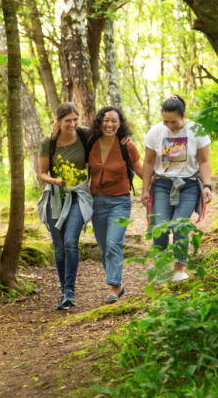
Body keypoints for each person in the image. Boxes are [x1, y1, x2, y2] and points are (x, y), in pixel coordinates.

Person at [140, 95, 212, 282]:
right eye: (166, 121)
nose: (169, 126)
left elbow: (204, 161)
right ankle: (161, 268)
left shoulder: (197, 130)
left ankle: (180, 268)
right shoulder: (156, 131)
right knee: (160, 225)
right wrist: (145, 189)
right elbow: (148, 162)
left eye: (174, 122)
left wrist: (207, 185)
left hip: (188, 185)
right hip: (162, 184)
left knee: (180, 223)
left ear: (184, 115)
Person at [37, 102, 93, 310]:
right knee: (59, 249)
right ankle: (64, 293)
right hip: (56, 198)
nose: (72, 124)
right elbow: (41, 173)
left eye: (75, 119)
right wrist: (54, 181)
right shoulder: (48, 142)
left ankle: (70, 290)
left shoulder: (84, 135)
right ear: (58, 121)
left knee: (71, 242)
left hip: (78, 196)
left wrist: (126, 137)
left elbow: (109, 137)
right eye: (68, 120)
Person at [88, 106, 143, 304]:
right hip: (97, 202)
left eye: (114, 121)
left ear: (120, 125)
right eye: (106, 120)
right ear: (100, 122)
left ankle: (113, 287)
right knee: (104, 247)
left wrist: (154, 188)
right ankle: (119, 287)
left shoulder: (126, 145)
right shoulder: (91, 141)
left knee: (113, 243)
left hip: (120, 201)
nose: (109, 124)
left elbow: (139, 169)